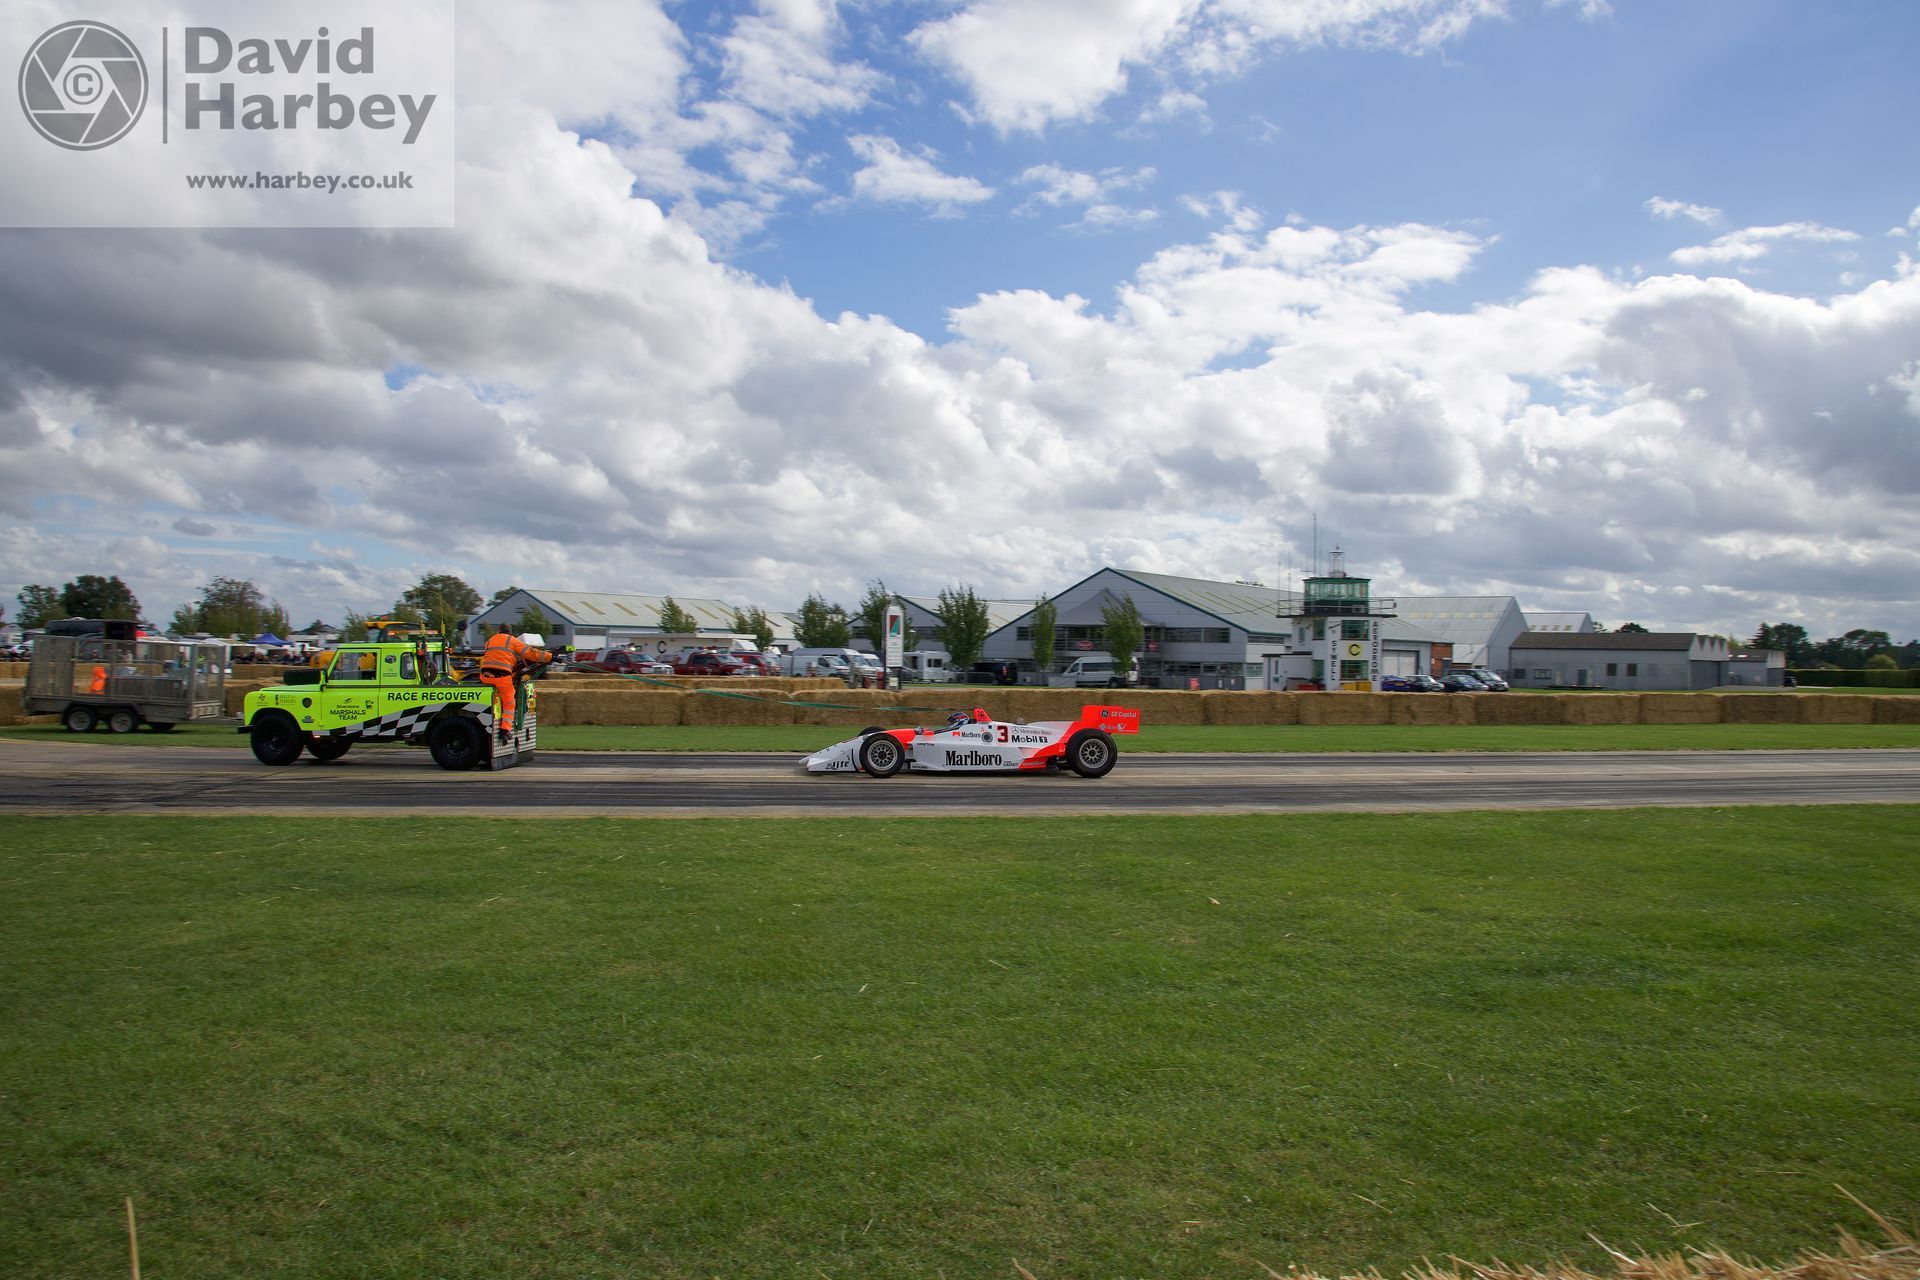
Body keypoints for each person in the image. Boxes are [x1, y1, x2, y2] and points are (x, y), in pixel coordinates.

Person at [478, 624, 552, 736]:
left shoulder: (489, 641)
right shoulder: (512, 641)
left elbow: (496, 657)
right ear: (510, 632)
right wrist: (550, 657)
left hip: (485, 677)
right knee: (509, 703)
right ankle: (505, 730)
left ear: (498, 631)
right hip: (501, 678)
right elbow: (532, 654)